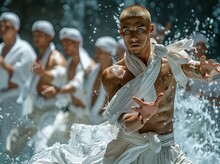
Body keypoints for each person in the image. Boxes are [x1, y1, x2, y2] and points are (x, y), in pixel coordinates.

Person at [29, 4, 220, 164]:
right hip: (130, 149)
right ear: (120, 32)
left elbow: (196, 70)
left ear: (150, 29)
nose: (133, 37)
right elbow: (123, 122)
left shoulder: (170, 60)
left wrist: (208, 72)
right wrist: (141, 117)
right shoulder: (113, 75)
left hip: (167, 149)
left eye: (139, 29)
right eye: (127, 30)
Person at [7, 20, 67, 155]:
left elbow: (61, 77)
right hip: (35, 110)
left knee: (42, 147)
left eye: (40, 35)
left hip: (50, 111)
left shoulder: (56, 58)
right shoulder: (39, 56)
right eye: (35, 35)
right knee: (12, 142)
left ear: (49, 37)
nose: (36, 38)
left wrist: (42, 73)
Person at [41, 27, 95, 145]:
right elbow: (60, 77)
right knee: (53, 140)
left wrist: (56, 90)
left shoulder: (87, 64)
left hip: (86, 116)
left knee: (82, 150)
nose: (64, 47)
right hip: (72, 111)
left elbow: (76, 85)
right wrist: (42, 73)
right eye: (63, 44)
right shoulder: (70, 61)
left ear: (77, 43)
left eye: (68, 44)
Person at [0, 12, 36, 156]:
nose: (2, 29)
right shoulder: (0, 47)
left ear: (16, 29)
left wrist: (4, 64)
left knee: (16, 142)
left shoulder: (24, 50)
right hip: (2, 99)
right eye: (0, 26)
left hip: (17, 101)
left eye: (6, 26)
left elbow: (22, 79)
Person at [85, 36, 118, 124]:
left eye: (100, 52)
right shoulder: (92, 71)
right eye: (96, 52)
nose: (96, 55)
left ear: (110, 53)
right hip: (90, 118)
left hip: (107, 122)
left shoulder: (117, 75)